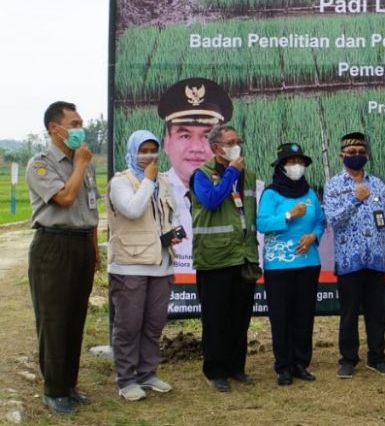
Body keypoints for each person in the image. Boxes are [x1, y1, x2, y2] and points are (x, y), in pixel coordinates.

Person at [25, 101, 100, 415]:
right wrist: (80, 164)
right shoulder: (41, 164)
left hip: (82, 245)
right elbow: (66, 198)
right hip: (53, 246)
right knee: (54, 320)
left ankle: (69, 384)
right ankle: (54, 390)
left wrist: (94, 251)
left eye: (81, 123)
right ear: (54, 129)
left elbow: (92, 210)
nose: (80, 129)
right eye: (74, 124)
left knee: (75, 318)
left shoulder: (85, 162)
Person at [107, 130, 179, 401]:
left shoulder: (164, 181)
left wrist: (174, 232)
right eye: (143, 150)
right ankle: (126, 379)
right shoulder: (120, 182)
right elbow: (133, 210)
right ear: (132, 152)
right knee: (129, 325)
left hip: (161, 264)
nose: (149, 156)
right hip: (130, 265)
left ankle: (147, 373)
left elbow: (172, 214)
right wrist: (148, 181)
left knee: (154, 324)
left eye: (153, 150)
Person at [323, 132, 385, 379]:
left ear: (366, 155)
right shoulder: (333, 185)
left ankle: (377, 358)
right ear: (341, 155)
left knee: (377, 313)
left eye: (361, 152)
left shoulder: (378, 184)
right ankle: (348, 359)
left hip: (376, 259)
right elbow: (334, 220)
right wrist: (355, 200)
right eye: (351, 152)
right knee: (349, 313)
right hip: (349, 260)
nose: (356, 156)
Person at [190, 124, 259, 392]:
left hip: (243, 255)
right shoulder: (202, 174)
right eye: (230, 142)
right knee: (216, 317)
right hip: (215, 257)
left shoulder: (247, 175)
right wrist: (231, 173)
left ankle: (236, 367)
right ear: (216, 147)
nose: (236, 146)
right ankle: (215, 370)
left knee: (240, 316)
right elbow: (211, 201)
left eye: (238, 141)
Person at [256, 143, 325, 386]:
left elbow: (320, 221)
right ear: (282, 167)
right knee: (281, 316)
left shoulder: (310, 193)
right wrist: (289, 215)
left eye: (300, 162)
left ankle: (300, 363)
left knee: (304, 316)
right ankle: (283, 366)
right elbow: (262, 224)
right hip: (279, 266)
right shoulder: (271, 194)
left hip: (308, 262)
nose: (297, 166)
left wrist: (314, 236)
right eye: (292, 162)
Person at [157, 78, 233, 272]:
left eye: (207, 136)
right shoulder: (153, 191)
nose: (197, 148)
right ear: (167, 143)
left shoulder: (247, 189)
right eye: (184, 136)